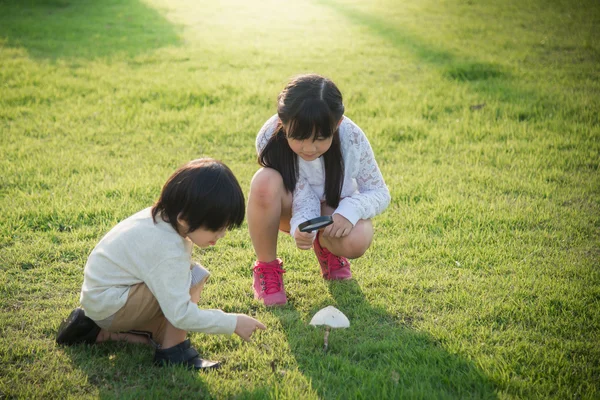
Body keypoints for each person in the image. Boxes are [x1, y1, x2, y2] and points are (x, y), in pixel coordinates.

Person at [56, 158, 266, 370]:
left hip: (103, 300)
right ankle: (174, 351)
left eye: (226, 227)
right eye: (216, 227)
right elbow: (181, 314)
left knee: (170, 311)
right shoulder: (168, 248)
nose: (221, 235)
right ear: (185, 218)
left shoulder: (161, 218)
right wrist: (234, 322)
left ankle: (94, 331)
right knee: (193, 278)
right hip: (110, 305)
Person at [248, 74, 391, 306]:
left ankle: (328, 248)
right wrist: (301, 225)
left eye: (320, 138)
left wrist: (348, 212)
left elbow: (379, 192)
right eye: (298, 138)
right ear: (283, 123)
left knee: (357, 239)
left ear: (337, 123)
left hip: (334, 207)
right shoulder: (269, 137)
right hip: (289, 206)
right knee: (264, 181)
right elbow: (301, 192)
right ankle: (267, 269)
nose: (308, 148)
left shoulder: (352, 138)